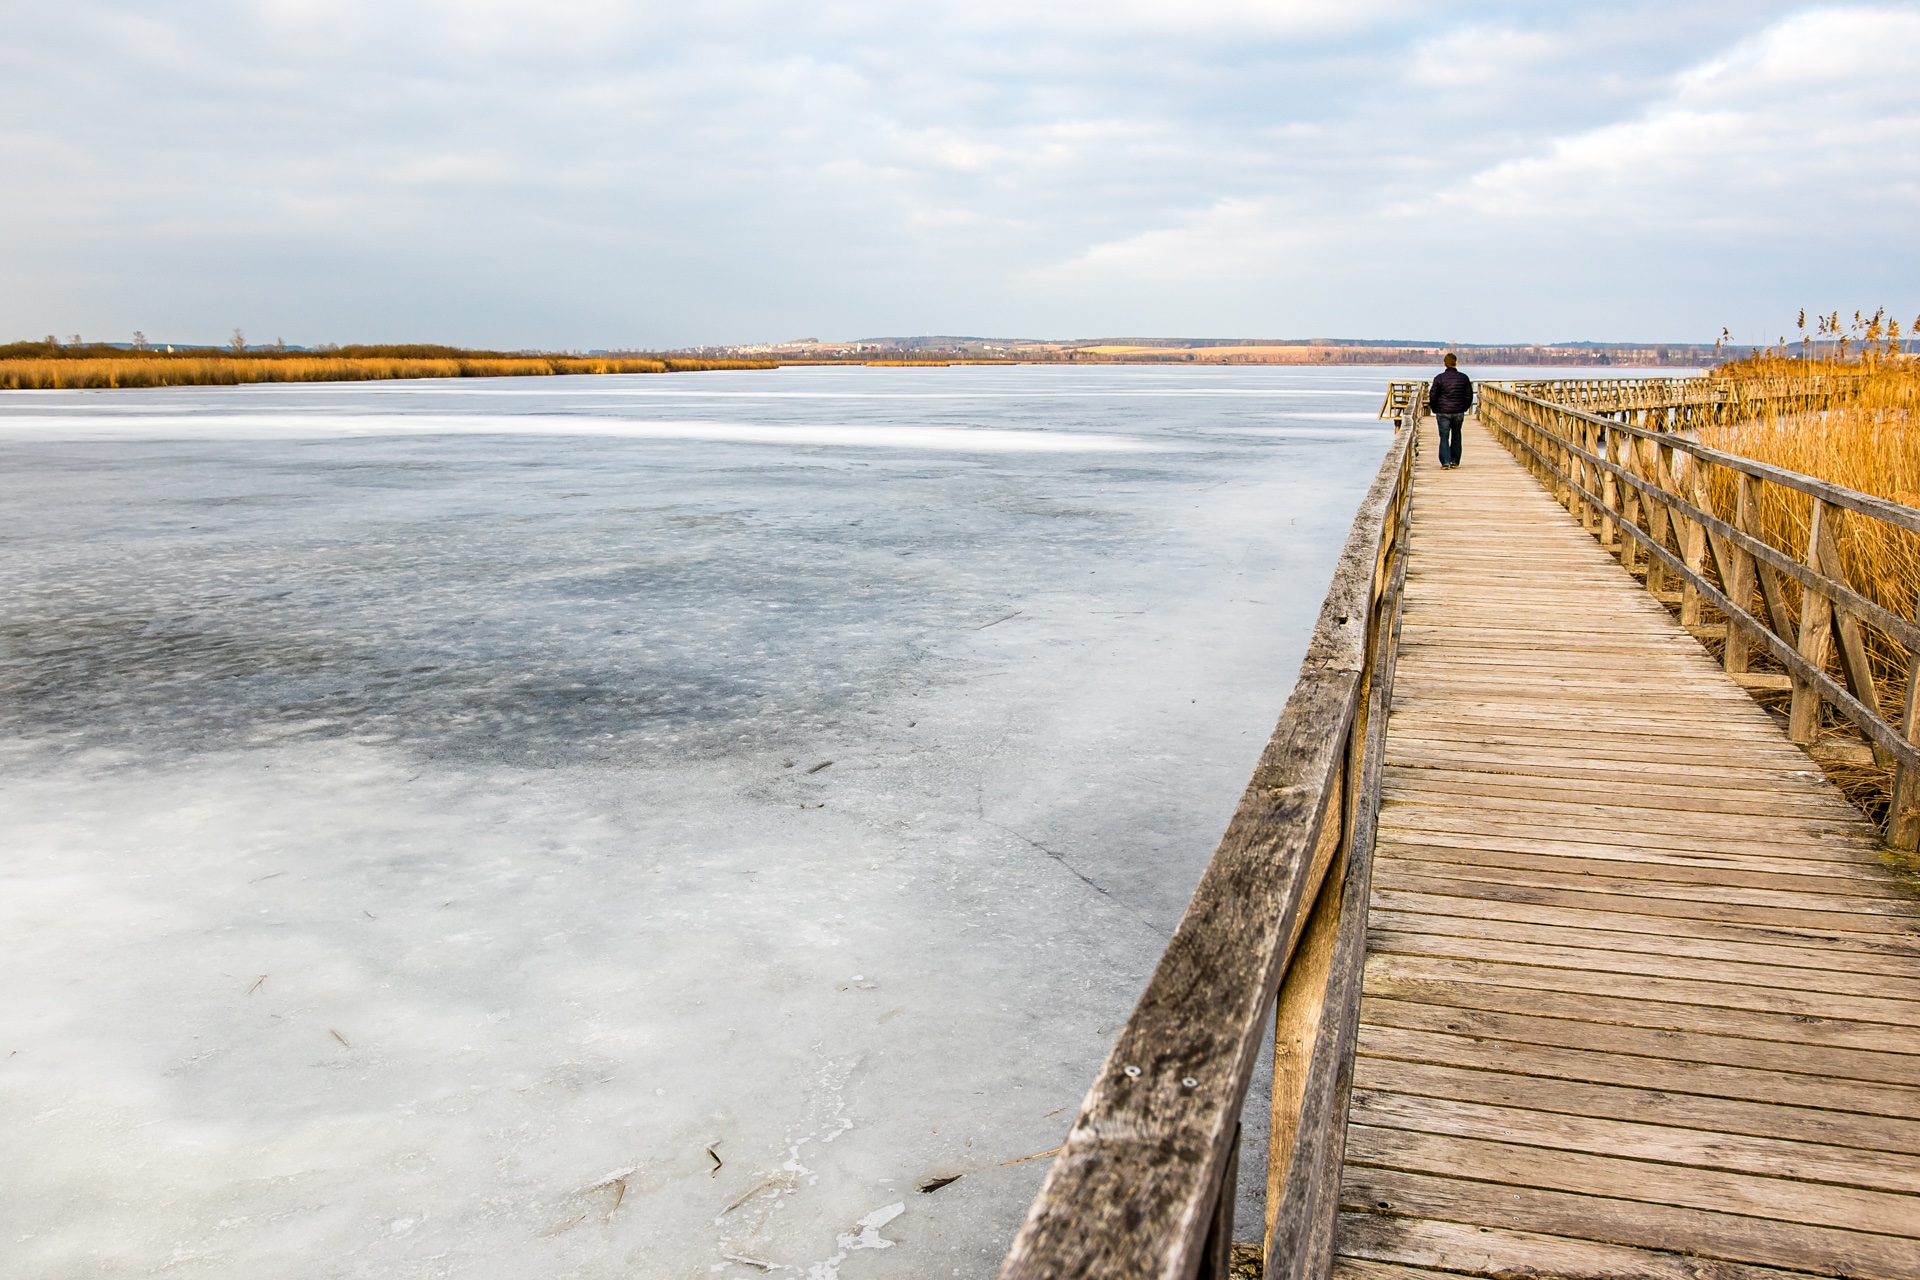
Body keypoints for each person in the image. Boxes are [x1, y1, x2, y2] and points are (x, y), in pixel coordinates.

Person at [1429, 353, 1472, 469]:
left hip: (1443, 411)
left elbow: (1433, 395)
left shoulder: (1439, 378)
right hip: (1458, 411)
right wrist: (1464, 407)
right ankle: (1455, 460)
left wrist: (1434, 408)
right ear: (1456, 362)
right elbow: (1469, 396)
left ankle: (1445, 462)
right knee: (1457, 435)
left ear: (1444, 363)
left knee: (1444, 436)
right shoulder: (1463, 378)